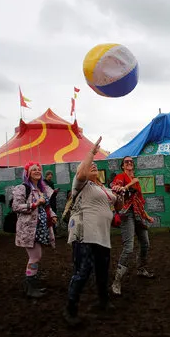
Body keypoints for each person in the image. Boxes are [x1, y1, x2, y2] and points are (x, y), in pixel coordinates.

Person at [63, 137, 123, 326]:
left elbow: (118, 206)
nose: (94, 166)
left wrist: (120, 196)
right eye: (91, 165)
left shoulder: (103, 188)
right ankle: (70, 309)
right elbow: (81, 172)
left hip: (102, 235)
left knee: (102, 271)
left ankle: (103, 302)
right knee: (83, 270)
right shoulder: (80, 184)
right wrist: (91, 153)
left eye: (96, 165)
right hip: (84, 233)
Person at [109, 156, 155, 296]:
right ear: (123, 166)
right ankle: (117, 280)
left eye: (131, 162)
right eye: (126, 162)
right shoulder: (121, 176)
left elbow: (139, 202)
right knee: (128, 248)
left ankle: (141, 268)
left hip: (138, 215)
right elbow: (116, 188)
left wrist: (146, 216)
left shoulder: (137, 182)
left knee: (145, 244)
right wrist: (119, 187)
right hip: (126, 215)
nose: (129, 163)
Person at [12, 162, 57, 298]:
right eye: (33, 170)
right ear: (28, 173)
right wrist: (34, 204)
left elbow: (46, 208)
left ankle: (32, 283)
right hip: (28, 229)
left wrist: (53, 215)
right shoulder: (22, 188)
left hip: (40, 229)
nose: (37, 171)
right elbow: (16, 206)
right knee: (35, 256)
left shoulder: (42, 189)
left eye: (39, 169)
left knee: (37, 256)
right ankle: (30, 286)